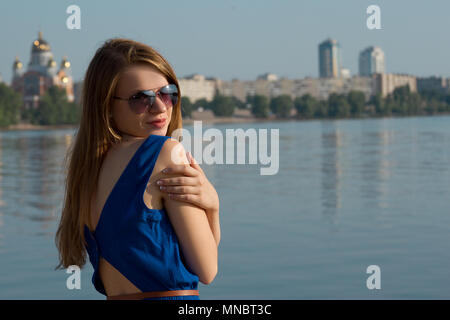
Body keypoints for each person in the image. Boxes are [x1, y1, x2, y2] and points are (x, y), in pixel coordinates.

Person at [54, 38, 220, 300]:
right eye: (139, 99)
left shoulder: (87, 173)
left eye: (167, 93)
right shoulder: (165, 153)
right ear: (106, 107)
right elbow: (207, 269)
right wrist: (213, 206)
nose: (160, 106)